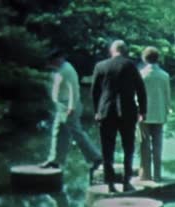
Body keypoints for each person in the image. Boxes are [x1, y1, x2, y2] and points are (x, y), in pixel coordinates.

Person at [91, 40, 147, 192]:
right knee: (128, 148)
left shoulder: (100, 66)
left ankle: (110, 184)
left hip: (106, 112)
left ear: (112, 50)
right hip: (127, 112)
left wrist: (97, 111)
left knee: (107, 148)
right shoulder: (130, 65)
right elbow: (141, 89)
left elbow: (94, 91)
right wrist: (143, 111)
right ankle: (126, 182)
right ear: (125, 51)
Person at [40, 50, 102, 180]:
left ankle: (96, 158)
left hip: (69, 106)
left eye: (53, 60)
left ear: (59, 58)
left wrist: (71, 107)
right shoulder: (59, 69)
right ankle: (55, 160)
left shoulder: (68, 69)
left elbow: (73, 88)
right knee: (58, 132)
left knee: (77, 133)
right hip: (61, 106)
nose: (51, 63)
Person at [138, 47, 171, 182]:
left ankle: (145, 175)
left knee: (143, 145)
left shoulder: (141, 74)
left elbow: (137, 96)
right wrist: (167, 111)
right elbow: (167, 96)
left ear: (144, 58)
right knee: (157, 146)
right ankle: (157, 175)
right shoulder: (164, 75)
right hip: (159, 114)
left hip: (143, 114)